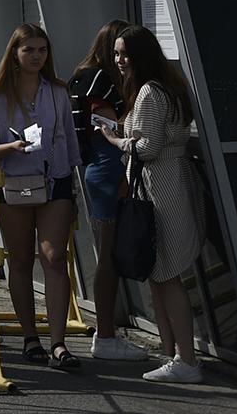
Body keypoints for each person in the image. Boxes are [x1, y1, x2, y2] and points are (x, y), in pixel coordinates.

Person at [100, 26, 206, 383]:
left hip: (160, 187)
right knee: (163, 272)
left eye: (125, 53)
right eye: (116, 53)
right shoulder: (170, 86)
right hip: (173, 181)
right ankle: (175, 354)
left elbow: (147, 148)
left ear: (142, 56)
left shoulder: (148, 91)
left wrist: (116, 140)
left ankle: (185, 360)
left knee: (166, 274)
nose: (119, 60)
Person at [0, 22, 81, 371]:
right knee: (20, 260)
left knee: (53, 257)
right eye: (29, 50)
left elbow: (70, 139)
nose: (36, 56)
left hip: (55, 181)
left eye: (42, 50)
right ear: (15, 54)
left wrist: (74, 184)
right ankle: (30, 337)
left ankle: (59, 342)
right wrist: (11, 147)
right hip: (15, 182)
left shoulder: (57, 92)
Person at [69, 20, 151, 361]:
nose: (123, 58)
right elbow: (110, 128)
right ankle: (105, 335)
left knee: (107, 251)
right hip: (108, 169)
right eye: (120, 50)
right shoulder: (101, 80)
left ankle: (107, 333)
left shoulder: (81, 75)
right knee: (107, 255)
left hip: (96, 169)